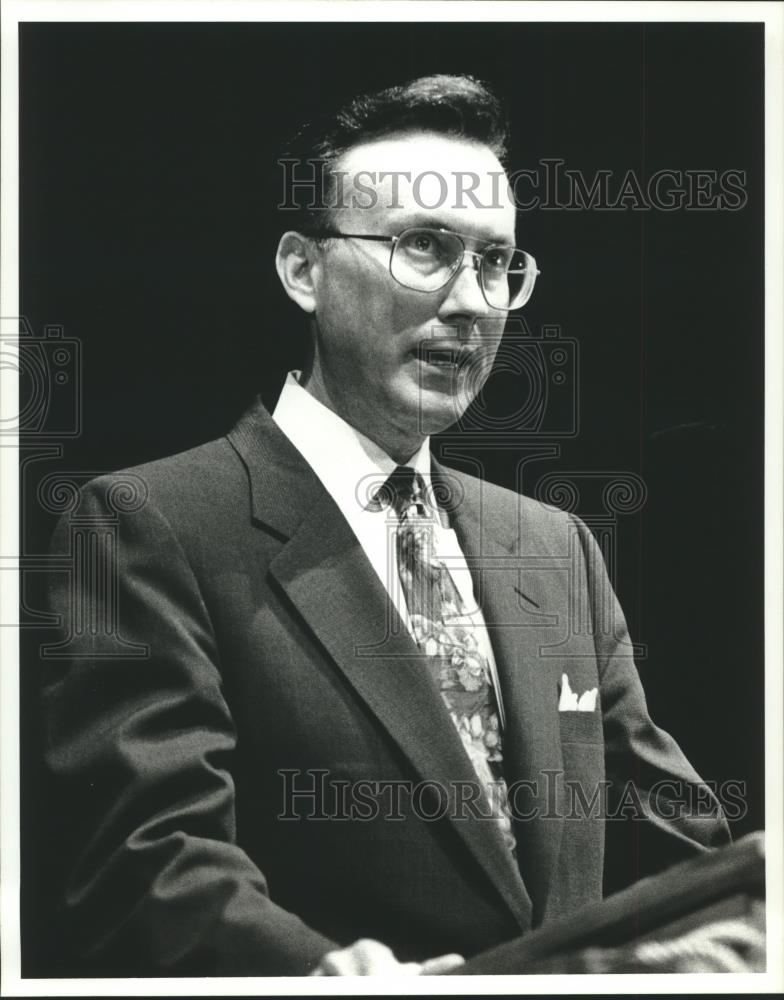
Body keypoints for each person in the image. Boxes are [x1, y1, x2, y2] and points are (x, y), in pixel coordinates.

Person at [41, 74, 730, 977]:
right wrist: (321, 971)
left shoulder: (556, 547)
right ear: (303, 269)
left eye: (496, 263)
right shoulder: (143, 523)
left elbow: (672, 838)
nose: (474, 301)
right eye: (425, 248)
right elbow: (144, 858)